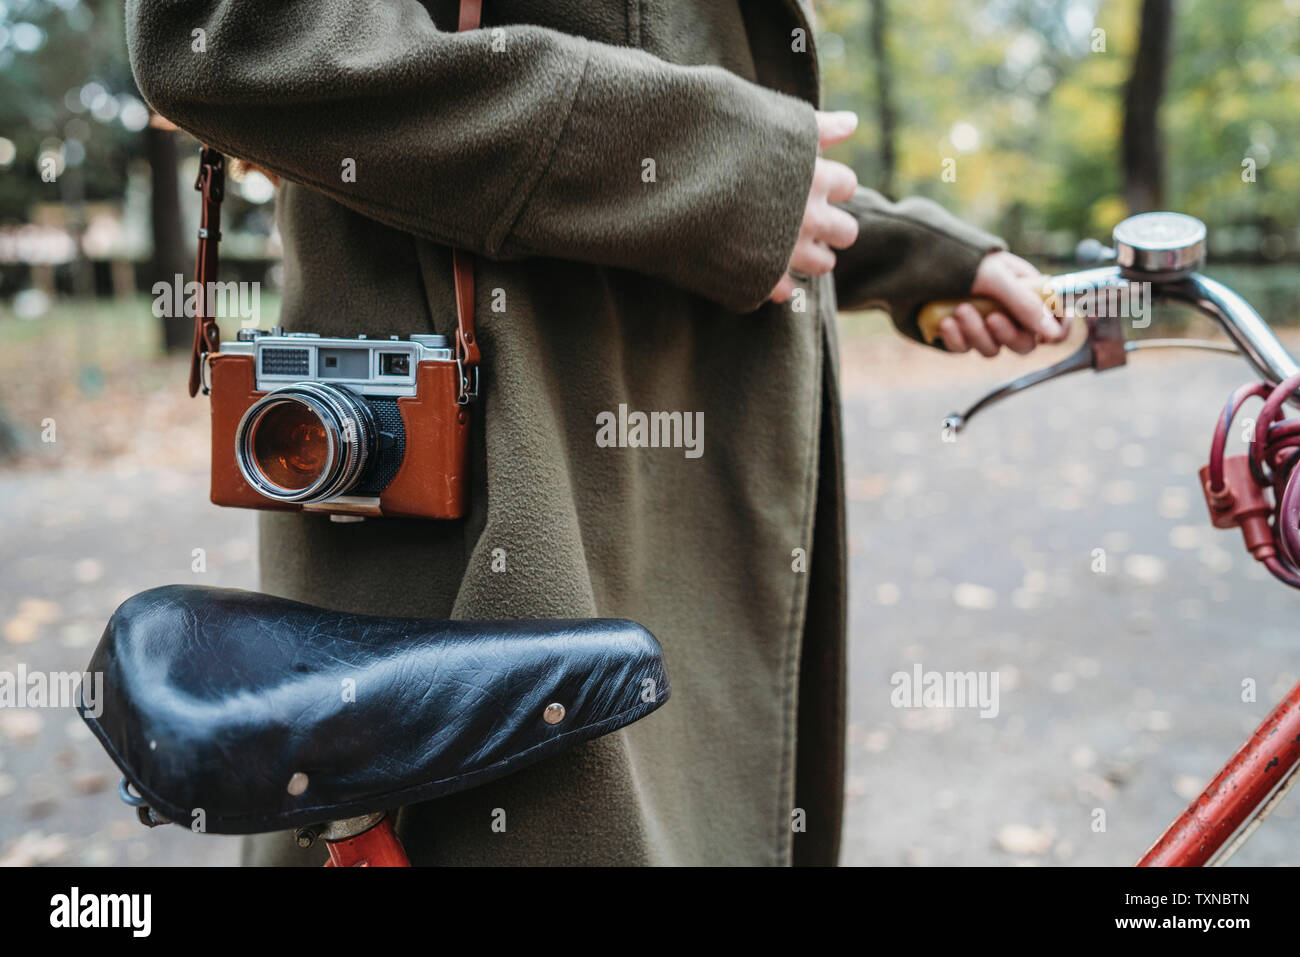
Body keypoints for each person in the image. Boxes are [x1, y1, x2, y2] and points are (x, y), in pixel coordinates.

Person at [125, 0, 1062, 865]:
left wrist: (909, 254)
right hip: (525, 478)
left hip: (662, 480)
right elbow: (226, 31)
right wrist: (719, 170)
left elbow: (660, 74)